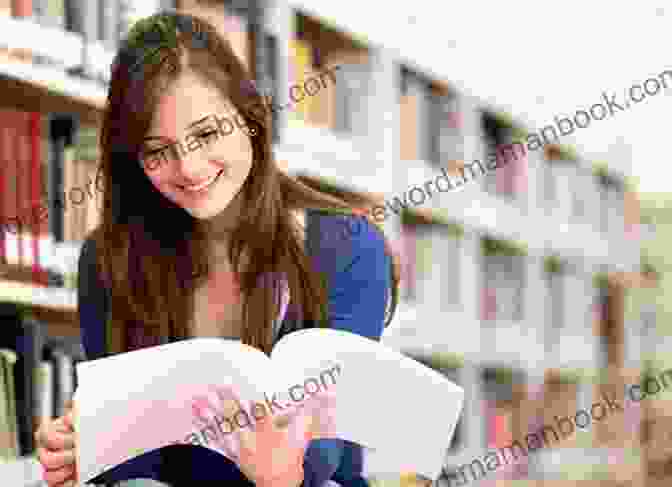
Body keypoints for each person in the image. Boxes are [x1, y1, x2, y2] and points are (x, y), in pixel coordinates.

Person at [34, 10, 400, 487]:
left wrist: (284, 475)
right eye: (157, 151)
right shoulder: (107, 262)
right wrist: (87, 453)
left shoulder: (346, 251)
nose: (187, 167)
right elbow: (133, 465)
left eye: (206, 134)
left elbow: (320, 461)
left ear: (249, 119)